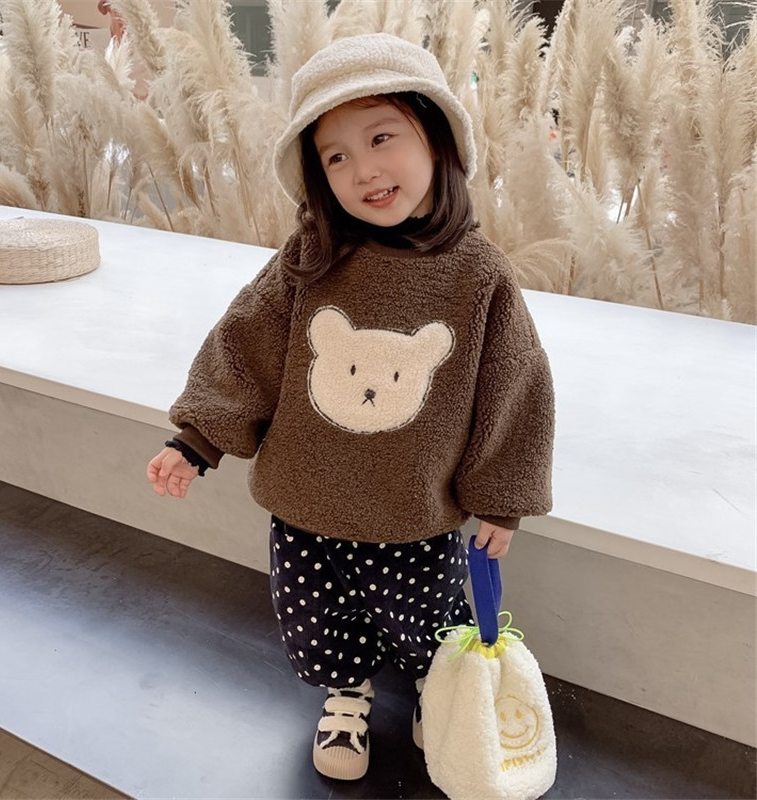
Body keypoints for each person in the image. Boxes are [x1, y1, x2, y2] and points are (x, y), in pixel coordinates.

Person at [147, 33, 554, 782]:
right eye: (335, 156)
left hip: (415, 511)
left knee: (428, 621)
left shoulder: (477, 275)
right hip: (307, 506)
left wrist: (502, 497)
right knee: (316, 618)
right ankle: (346, 694)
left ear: (437, 138)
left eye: (381, 137)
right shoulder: (309, 260)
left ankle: (438, 691)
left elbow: (514, 385)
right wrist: (198, 438)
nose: (362, 169)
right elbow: (246, 345)